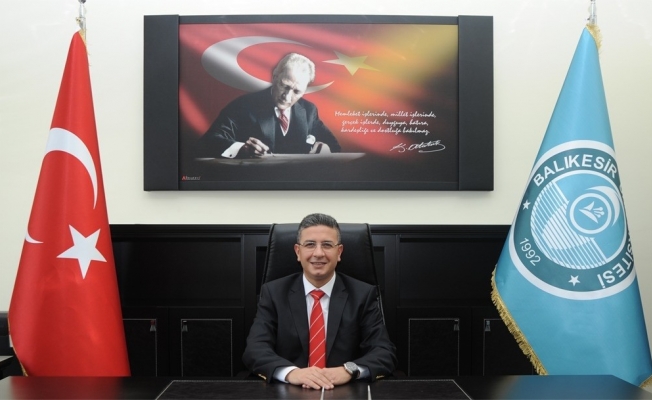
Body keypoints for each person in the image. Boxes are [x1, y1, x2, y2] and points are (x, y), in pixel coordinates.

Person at [242, 213, 396, 390]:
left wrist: (348, 370)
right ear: (298, 252)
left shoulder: (362, 295)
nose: (318, 253)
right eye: (310, 244)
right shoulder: (274, 293)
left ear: (339, 252)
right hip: (289, 390)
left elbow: (384, 352)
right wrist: (292, 373)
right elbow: (255, 349)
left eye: (327, 245)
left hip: (344, 391)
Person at [196, 53, 341, 158]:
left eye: (297, 91)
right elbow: (208, 142)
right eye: (284, 86)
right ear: (275, 76)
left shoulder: (309, 111)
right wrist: (242, 149)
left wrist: (327, 149)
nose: (287, 97)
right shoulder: (243, 106)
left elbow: (335, 147)